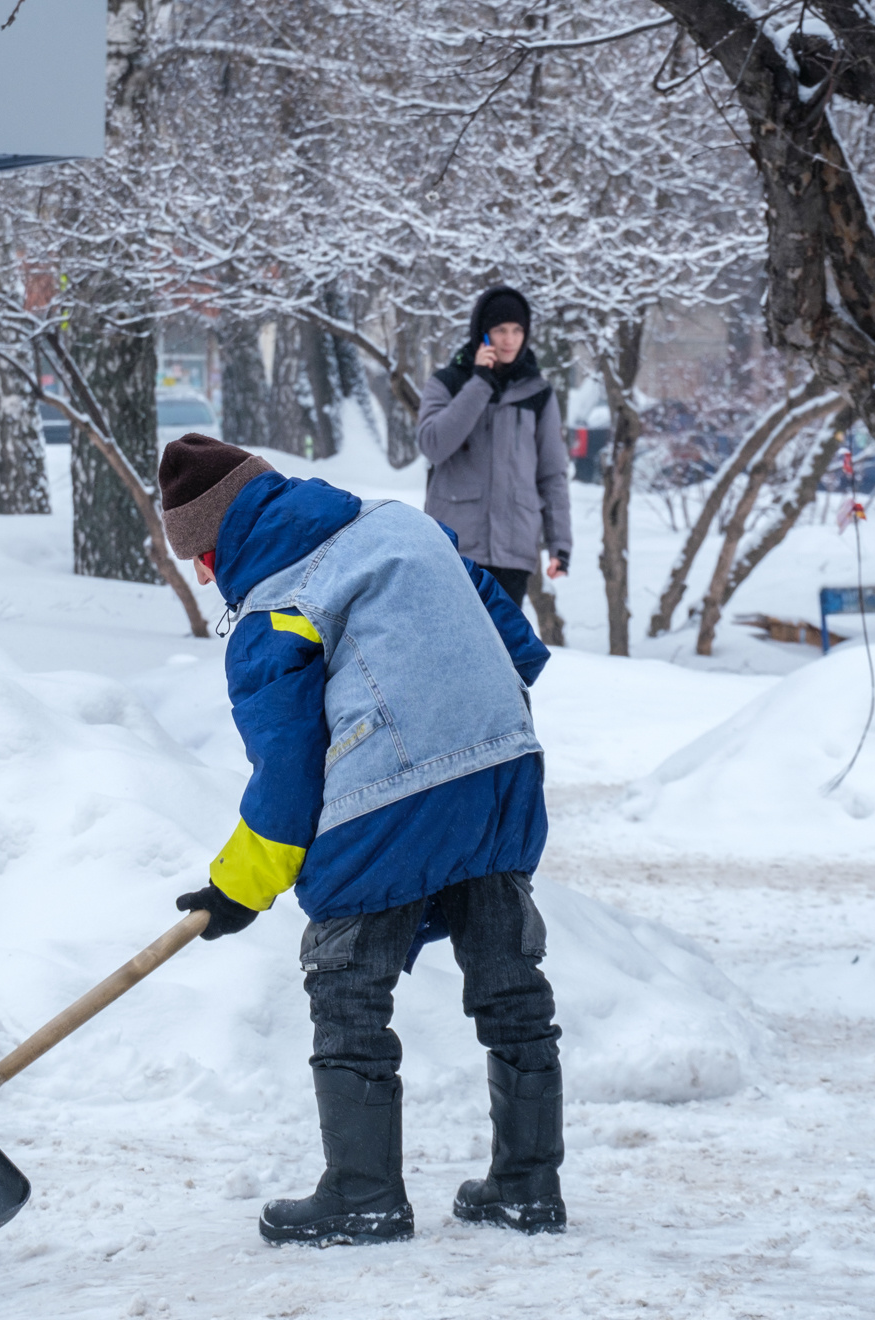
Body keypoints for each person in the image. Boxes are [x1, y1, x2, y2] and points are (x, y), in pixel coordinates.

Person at [158, 433, 566, 1246]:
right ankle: (528, 1187)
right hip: (502, 763)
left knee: (347, 985)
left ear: (210, 553)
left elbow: (287, 776)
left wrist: (238, 888)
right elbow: (515, 644)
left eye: (202, 564)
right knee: (509, 979)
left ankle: (364, 1193)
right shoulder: (400, 523)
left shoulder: (274, 610)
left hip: (389, 793)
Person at [417, 286, 572, 609]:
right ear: (482, 334)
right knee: (453, 646)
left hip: (513, 550)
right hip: (455, 546)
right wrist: (479, 384)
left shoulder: (538, 392)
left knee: (502, 654)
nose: (509, 339)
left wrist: (560, 545)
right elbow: (433, 445)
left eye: (517, 330)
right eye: (500, 330)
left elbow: (552, 473)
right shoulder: (447, 383)